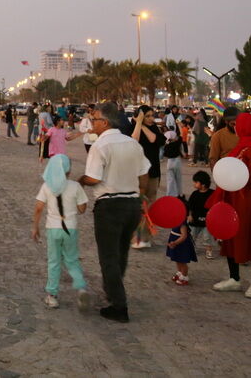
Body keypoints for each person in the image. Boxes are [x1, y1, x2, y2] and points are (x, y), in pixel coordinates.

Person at [80, 102, 149, 323]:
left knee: (108, 257)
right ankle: (113, 290)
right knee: (121, 254)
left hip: (110, 205)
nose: (92, 124)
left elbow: (94, 178)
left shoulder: (100, 146)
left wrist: (80, 180)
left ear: (105, 122)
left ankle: (119, 305)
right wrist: (141, 195)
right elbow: (144, 173)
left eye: (95, 120)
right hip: (132, 204)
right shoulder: (132, 144)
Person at [210, 113, 251, 299]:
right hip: (233, 198)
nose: (235, 128)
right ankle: (234, 278)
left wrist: (238, 174)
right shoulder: (240, 145)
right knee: (231, 234)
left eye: (238, 125)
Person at [32, 154, 90, 310]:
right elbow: (82, 209)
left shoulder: (46, 186)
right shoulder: (75, 186)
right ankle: (81, 287)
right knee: (72, 259)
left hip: (53, 228)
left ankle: (52, 296)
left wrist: (35, 227)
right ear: (68, 170)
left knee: (54, 261)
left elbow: (38, 208)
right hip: (70, 228)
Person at [131, 105, 165, 249]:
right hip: (138, 172)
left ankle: (144, 236)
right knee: (138, 204)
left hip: (153, 172)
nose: (152, 118)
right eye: (148, 116)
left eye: (152, 115)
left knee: (150, 203)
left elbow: (154, 140)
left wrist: (144, 125)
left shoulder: (154, 129)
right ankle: (136, 237)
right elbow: (134, 140)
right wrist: (138, 123)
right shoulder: (132, 127)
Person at [187, 171, 215, 260]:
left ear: (203, 184)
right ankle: (191, 249)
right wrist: (189, 215)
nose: (194, 184)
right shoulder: (195, 194)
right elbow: (190, 206)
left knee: (208, 237)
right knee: (192, 235)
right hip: (194, 220)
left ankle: (209, 250)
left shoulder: (212, 194)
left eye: (196, 182)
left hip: (208, 221)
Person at [167, 205, 197, 286]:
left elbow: (184, 236)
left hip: (181, 245)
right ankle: (179, 272)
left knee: (182, 261)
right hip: (175, 243)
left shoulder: (182, 223)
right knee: (177, 259)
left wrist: (175, 243)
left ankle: (184, 276)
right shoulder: (175, 220)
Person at [163, 130, 184, 199]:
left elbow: (165, 154)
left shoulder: (166, 145)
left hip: (170, 162)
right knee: (178, 178)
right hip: (177, 161)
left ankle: (170, 193)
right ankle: (179, 193)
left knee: (170, 179)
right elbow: (180, 137)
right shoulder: (177, 143)